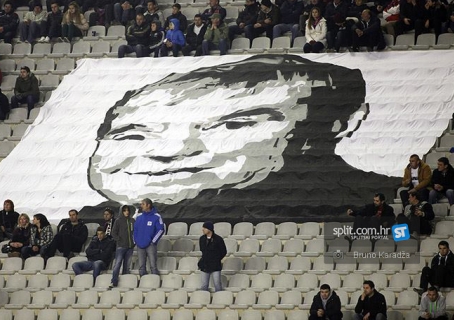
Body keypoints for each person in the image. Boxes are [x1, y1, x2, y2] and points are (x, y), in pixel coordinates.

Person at [81, 55, 394, 222]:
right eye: (133, 134)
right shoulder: (90, 218)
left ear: (341, 123)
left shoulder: (381, 200)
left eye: (232, 125)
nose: (172, 151)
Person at [133, 198, 164, 276]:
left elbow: (160, 229)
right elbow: (135, 229)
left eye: (143, 204)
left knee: (153, 266)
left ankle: (155, 280)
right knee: (141, 267)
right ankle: (143, 281)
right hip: (140, 245)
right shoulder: (139, 217)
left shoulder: (156, 216)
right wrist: (136, 240)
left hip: (150, 245)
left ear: (148, 205)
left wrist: (153, 241)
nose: (141, 206)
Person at [198, 221, 227, 292]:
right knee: (204, 285)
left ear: (209, 229)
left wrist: (216, 259)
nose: (203, 229)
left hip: (215, 265)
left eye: (205, 228)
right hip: (204, 265)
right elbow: (203, 250)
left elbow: (223, 251)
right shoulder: (202, 239)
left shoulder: (218, 239)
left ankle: (219, 297)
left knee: (217, 284)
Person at [110, 204, 135, 288]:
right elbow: (113, 233)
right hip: (121, 246)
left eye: (127, 210)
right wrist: (119, 240)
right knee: (117, 264)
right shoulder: (118, 221)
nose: (126, 212)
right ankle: (114, 281)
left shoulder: (132, 220)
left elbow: (135, 231)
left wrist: (134, 241)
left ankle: (124, 282)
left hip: (130, 247)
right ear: (121, 211)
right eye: (124, 210)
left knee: (127, 266)